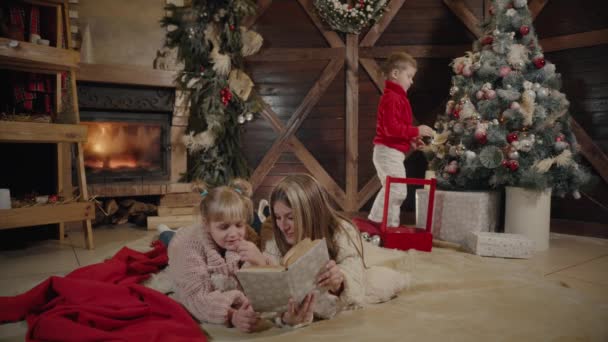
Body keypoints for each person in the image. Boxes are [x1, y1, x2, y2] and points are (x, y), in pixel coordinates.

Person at [257, 174, 366, 325]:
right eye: (277, 217)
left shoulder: (341, 231)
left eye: (291, 217)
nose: (283, 226)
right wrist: (284, 318)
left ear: (310, 214)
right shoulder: (275, 241)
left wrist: (340, 282)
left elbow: (355, 276)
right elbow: (268, 298)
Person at [159, 179, 262, 333]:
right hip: (180, 239)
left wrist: (260, 261)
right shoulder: (188, 247)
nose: (234, 234)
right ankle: (164, 231)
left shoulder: (242, 236)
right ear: (207, 224)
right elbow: (196, 298)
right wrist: (231, 315)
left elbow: (265, 272)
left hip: (210, 239)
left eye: (239, 225)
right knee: (168, 237)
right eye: (224, 227)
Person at [367, 52, 435, 228]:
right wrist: (416, 130)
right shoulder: (391, 98)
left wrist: (412, 140)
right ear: (395, 74)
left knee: (393, 189)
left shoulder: (398, 98)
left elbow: (397, 129)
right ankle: (385, 224)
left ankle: (379, 222)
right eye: (409, 76)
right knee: (396, 189)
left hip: (392, 152)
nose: (411, 81)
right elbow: (391, 129)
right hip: (387, 152)